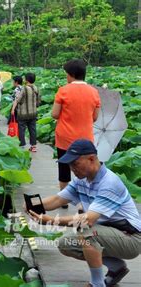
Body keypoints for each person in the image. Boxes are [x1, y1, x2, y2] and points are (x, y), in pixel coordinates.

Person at [26, 139, 140, 287]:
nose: (72, 168)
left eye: (75, 163)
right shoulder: (82, 180)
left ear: (91, 159)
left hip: (131, 238)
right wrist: (33, 205)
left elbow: (88, 219)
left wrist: (51, 221)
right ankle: (116, 266)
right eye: (70, 164)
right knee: (65, 243)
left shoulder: (109, 183)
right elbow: (58, 199)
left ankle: (97, 284)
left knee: (87, 232)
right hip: (108, 233)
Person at [52, 59, 101, 208]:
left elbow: (55, 114)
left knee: (64, 168)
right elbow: (95, 117)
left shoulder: (63, 90)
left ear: (71, 75)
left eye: (67, 74)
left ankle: (64, 201)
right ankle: (86, 200)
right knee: (86, 169)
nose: (66, 77)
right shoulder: (94, 92)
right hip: (86, 139)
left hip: (65, 137)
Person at [11, 73, 40, 152]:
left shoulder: (25, 88)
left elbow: (19, 99)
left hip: (23, 113)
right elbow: (38, 102)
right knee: (33, 129)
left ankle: (22, 145)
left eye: (24, 78)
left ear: (27, 80)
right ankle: (33, 146)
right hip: (33, 113)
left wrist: (14, 108)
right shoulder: (36, 88)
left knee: (22, 129)